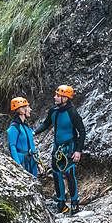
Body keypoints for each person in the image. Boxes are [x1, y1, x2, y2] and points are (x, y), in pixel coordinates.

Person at [34, 84, 85, 215]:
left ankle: (75, 204)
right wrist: (34, 133)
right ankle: (61, 204)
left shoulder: (72, 113)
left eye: (58, 95)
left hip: (70, 148)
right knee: (56, 175)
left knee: (69, 174)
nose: (55, 97)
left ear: (66, 98)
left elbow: (82, 131)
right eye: (56, 95)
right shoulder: (54, 111)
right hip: (57, 148)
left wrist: (78, 150)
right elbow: (46, 124)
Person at [7, 97, 44, 177]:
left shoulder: (27, 126)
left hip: (31, 161)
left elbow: (32, 146)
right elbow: (12, 147)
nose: (30, 109)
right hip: (22, 161)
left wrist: (38, 163)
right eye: (27, 107)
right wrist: (18, 165)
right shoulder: (14, 127)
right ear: (21, 110)